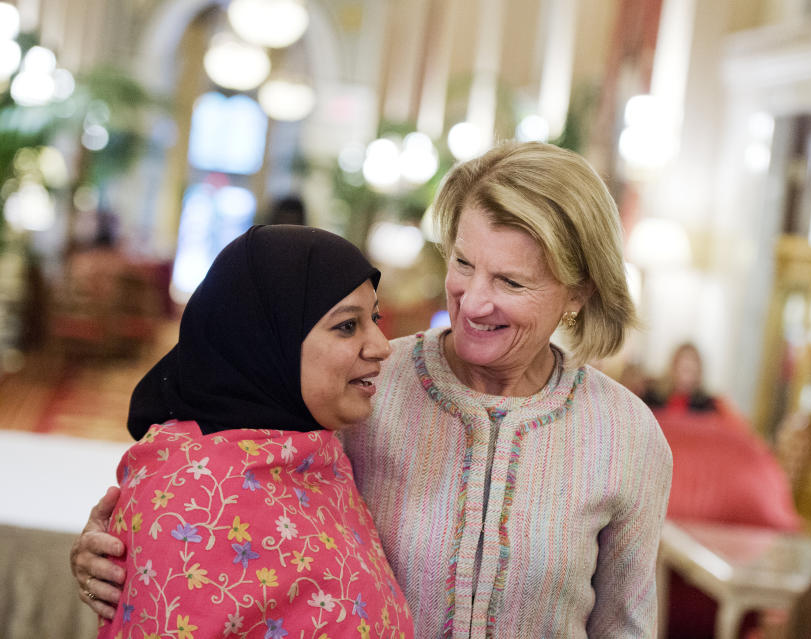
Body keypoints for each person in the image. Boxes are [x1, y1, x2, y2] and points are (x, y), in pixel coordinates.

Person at [73, 142, 673, 637]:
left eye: (511, 281)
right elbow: (227, 491)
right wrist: (117, 549)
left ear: (580, 292)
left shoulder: (624, 436)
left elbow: (625, 626)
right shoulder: (365, 382)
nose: (474, 300)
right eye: (463, 263)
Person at [78, 224, 413, 638]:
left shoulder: (312, 453)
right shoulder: (193, 501)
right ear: (270, 338)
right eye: (347, 325)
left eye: (375, 318)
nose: (382, 346)